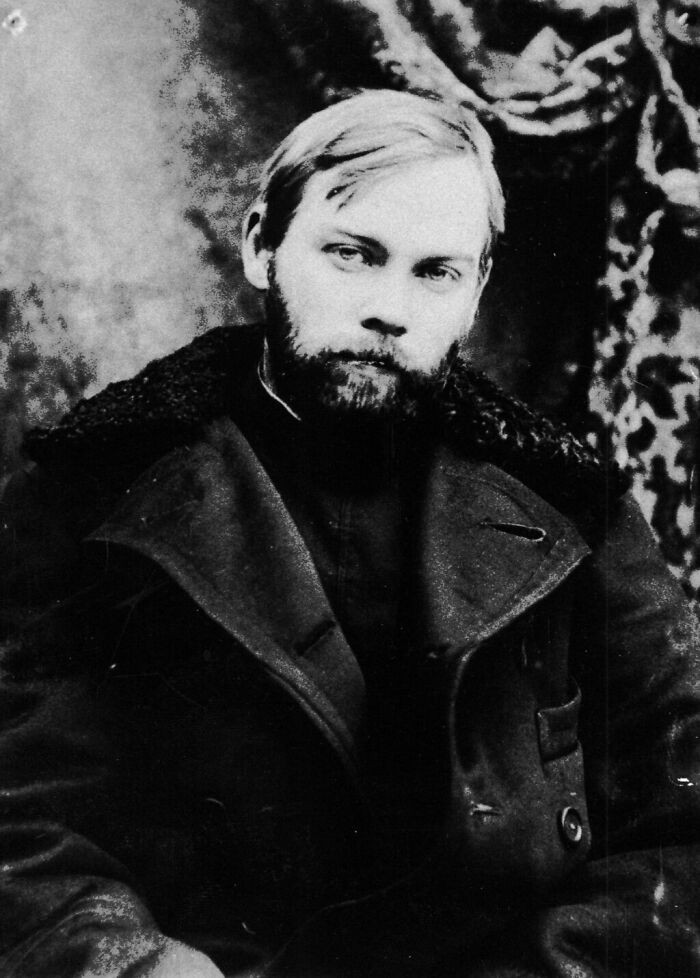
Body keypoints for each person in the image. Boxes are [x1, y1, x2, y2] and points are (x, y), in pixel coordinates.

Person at [1, 89, 699, 978]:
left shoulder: (569, 508)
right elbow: (22, 821)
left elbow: (683, 821)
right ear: (262, 246)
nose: (388, 308)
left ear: (476, 291)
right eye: (353, 255)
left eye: (435, 272)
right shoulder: (94, 494)